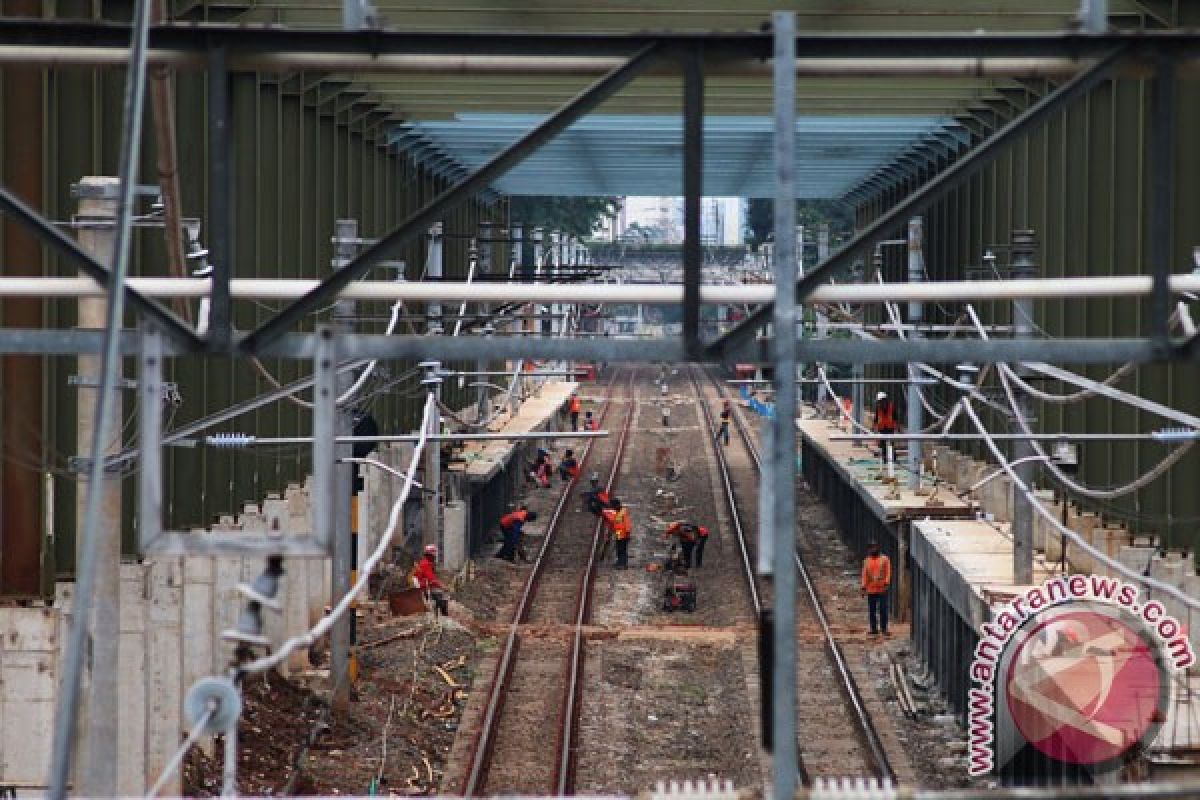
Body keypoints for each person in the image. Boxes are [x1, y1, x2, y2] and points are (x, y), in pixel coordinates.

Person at [861, 541, 893, 637]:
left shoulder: (884, 559)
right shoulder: (867, 561)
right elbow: (864, 575)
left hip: (882, 588)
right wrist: (863, 587)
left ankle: (884, 628)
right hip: (871, 589)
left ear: (878, 548)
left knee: (883, 609)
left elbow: (888, 571)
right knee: (872, 610)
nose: (873, 549)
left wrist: (887, 582)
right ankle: (874, 629)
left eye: (874, 547)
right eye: (871, 548)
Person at [412, 544, 449, 615]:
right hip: (423, 588)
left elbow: (432, 579)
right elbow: (432, 580)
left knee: (438, 592)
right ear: (430, 555)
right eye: (434, 555)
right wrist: (443, 586)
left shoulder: (424, 562)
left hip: (423, 586)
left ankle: (437, 613)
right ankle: (443, 616)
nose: (435, 556)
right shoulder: (426, 564)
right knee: (442, 596)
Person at [601, 498, 633, 569]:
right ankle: (620, 562)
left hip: (624, 534)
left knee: (622, 549)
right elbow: (615, 523)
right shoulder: (618, 512)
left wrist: (628, 532)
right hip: (620, 533)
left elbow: (627, 523)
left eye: (612, 506)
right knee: (620, 548)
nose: (612, 507)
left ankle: (622, 564)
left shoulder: (622, 512)